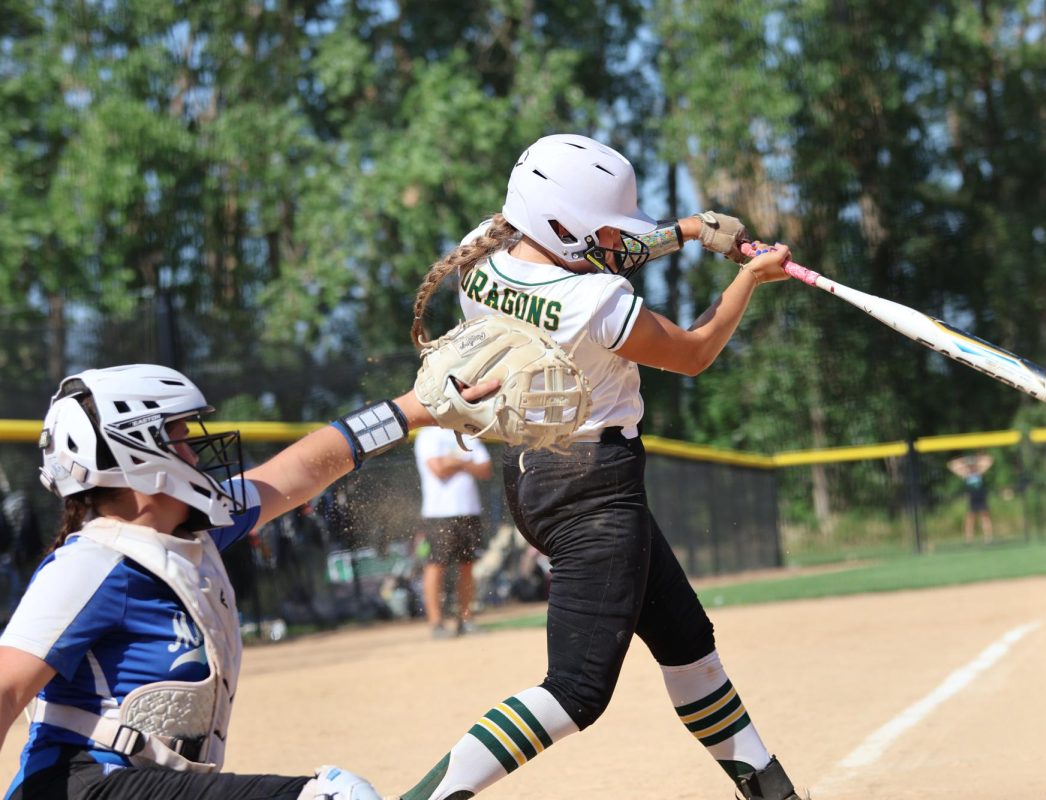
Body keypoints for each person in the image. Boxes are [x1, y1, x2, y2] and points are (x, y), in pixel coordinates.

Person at [400, 134, 805, 800]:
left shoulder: (486, 250)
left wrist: (691, 231)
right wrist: (747, 279)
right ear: (562, 225)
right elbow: (696, 351)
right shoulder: (595, 304)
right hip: (594, 490)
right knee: (577, 690)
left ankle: (770, 790)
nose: (613, 240)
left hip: (538, 476)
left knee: (688, 647)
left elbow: (600, 245)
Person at [0, 363, 497, 800]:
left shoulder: (192, 533)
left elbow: (302, 469)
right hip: (84, 786)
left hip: (150, 783)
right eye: (179, 437)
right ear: (134, 454)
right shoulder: (91, 563)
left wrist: (413, 409)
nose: (195, 454)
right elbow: (5, 689)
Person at [413, 426, 493, 638]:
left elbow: (485, 469)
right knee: (436, 565)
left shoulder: (467, 433)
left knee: (468, 565)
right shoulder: (428, 434)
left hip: (469, 511)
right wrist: (467, 463)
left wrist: (454, 462)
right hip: (439, 514)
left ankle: (466, 620)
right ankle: (436, 623)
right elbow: (438, 469)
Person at [948, 452, 994, 543]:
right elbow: (951, 465)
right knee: (970, 518)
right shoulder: (965, 474)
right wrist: (964, 461)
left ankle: (988, 537)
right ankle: (969, 539)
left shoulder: (980, 471)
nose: (971, 466)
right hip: (972, 498)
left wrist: (976, 460)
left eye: (972, 464)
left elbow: (989, 460)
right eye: (970, 465)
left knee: (985, 517)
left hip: (981, 496)